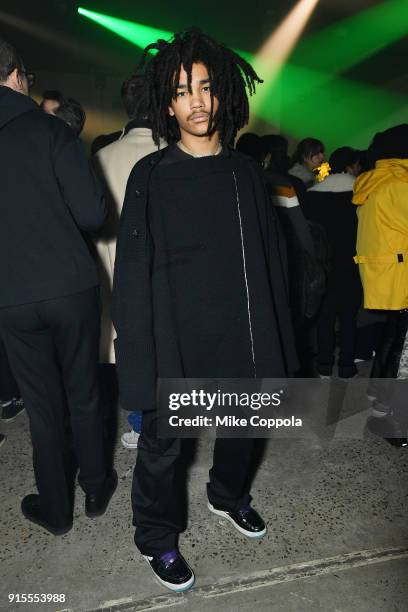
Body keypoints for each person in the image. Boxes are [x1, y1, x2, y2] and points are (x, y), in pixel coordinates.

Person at [112, 28, 298, 592]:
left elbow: (269, 263)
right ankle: (157, 537)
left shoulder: (245, 173)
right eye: (181, 90)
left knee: (245, 429)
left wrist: (278, 340)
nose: (195, 99)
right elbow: (131, 274)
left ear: (223, 96)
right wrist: (140, 359)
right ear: (167, 104)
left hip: (240, 333)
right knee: (164, 451)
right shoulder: (151, 175)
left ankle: (228, 496)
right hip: (175, 339)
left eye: (205, 87)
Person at [0, 38, 117, 535]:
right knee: (84, 391)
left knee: (41, 405)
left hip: (9, 294)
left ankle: (57, 509)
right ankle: (95, 487)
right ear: (18, 75)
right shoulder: (51, 131)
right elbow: (93, 214)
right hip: (70, 285)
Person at [93, 73, 165, 449]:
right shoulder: (176, 154)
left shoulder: (101, 158)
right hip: (166, 277)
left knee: (130, 353)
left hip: (117, 277)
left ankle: (139, 425)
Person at [353, 124, 408, 445]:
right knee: (401, 351)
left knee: (393, 337)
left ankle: (378, 396)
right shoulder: (400, 184)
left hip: (385, 279)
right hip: (401, 277)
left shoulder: (377, 181)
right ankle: (386, 417)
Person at [304, 147, 363, 378]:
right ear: (351, 166)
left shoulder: (312, 193)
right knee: (349, 317)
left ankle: (325, 364)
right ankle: (347, 365)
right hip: (352, 263)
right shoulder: (360, 193)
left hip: (323, 266)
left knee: (325, 318)